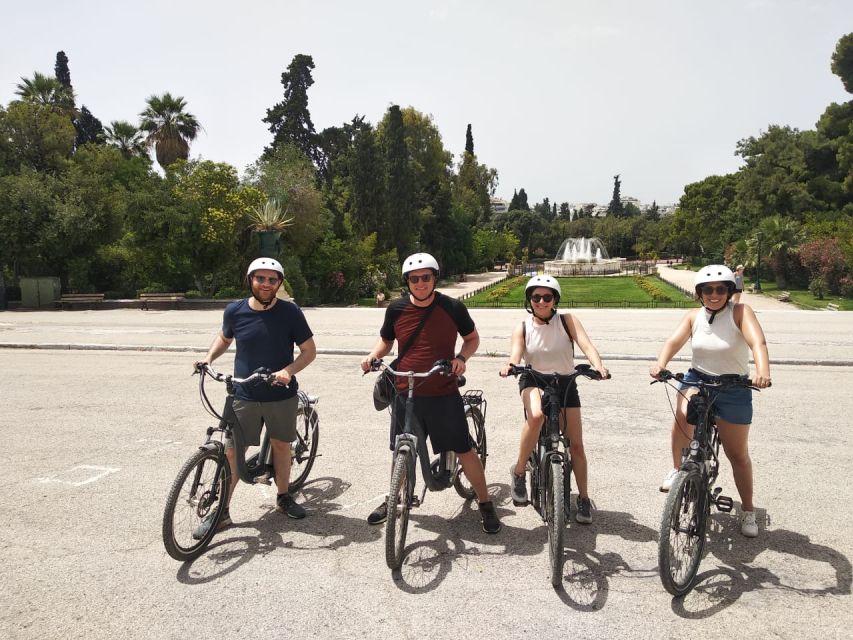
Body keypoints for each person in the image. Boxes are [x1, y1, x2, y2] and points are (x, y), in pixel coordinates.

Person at [360, 252, 501, 534]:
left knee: (464, 450)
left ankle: (485, 503)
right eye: (415, 278)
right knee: (402, 450)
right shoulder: (396, 309)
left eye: (426, 277)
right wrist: (373, 355)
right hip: (406, 390)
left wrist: (461, 358)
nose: (421, 283)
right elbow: (386, 341)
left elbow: (472, 339)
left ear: (434, 278)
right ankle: (396, 498)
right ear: (407, 281)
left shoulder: (451, 307)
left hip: (443, 390)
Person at [193, 257, 317, 538]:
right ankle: (221, 512)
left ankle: (283, 496)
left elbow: (309, 351)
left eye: (272, 280)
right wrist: (208, 358)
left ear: (279, 284)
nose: (266, 284)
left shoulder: (290, 312)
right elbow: (225, 338)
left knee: (281, 445)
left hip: (280, 394)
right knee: (232, 452)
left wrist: (288, 370)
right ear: (250, 280)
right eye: (260, 278)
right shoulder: (235, 311)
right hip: (244, 392)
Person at [649, 264, 771, 538]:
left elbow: (757, 343)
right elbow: (672, 342)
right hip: (698, 379)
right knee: (682, 413)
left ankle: (748, 511)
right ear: (699, 292)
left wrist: (762, 372)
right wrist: (660, 364)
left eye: (720, 289)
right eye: (707, 289)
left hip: (734, 385)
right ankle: (678, 469)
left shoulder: (740, 312)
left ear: (729, 291)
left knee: (737, 454)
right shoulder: (694, 317)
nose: (713, 294)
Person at [499, 275, 610, 524]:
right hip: (533, 380)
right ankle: (518, 472)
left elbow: (586, 345)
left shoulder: (567, 321)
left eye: (546, 297)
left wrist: (598, 366)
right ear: (529, 300)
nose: (540, 301)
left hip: (565, 382)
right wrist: (510, 365)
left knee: (576, 445)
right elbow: (515, 353)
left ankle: (582, 498)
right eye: (535, 297)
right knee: (536, 416)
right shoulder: (524, 327)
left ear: (555, 300)